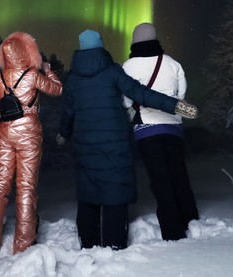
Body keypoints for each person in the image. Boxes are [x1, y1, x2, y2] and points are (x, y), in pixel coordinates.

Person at [57, 29, 191, 250]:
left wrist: (63, 133)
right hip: (115, 142)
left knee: (89, 191)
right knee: (115, 189)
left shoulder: (72, 79)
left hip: (85, 144)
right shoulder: (113, 72)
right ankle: (114, 244)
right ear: (101, 46)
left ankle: (88, 244)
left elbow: (68, 112)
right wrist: (175, 105)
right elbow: (141, 93)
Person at [0, 31, 63, 257]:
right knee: (26, 187)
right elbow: (57, 90)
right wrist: (48, 71)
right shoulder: (32, 75)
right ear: (26, 52)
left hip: (4, 133)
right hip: (28, 133)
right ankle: (23, 244)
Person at [122, 22, 199, 241]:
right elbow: (180, 97)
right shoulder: (173, 64)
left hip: (146, 129)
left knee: (160, 179)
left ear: (135, 40)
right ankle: (191, 220)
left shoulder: (128, 66)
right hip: (173, 126)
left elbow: (125, 101)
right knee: (179, 174)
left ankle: (172, 231)